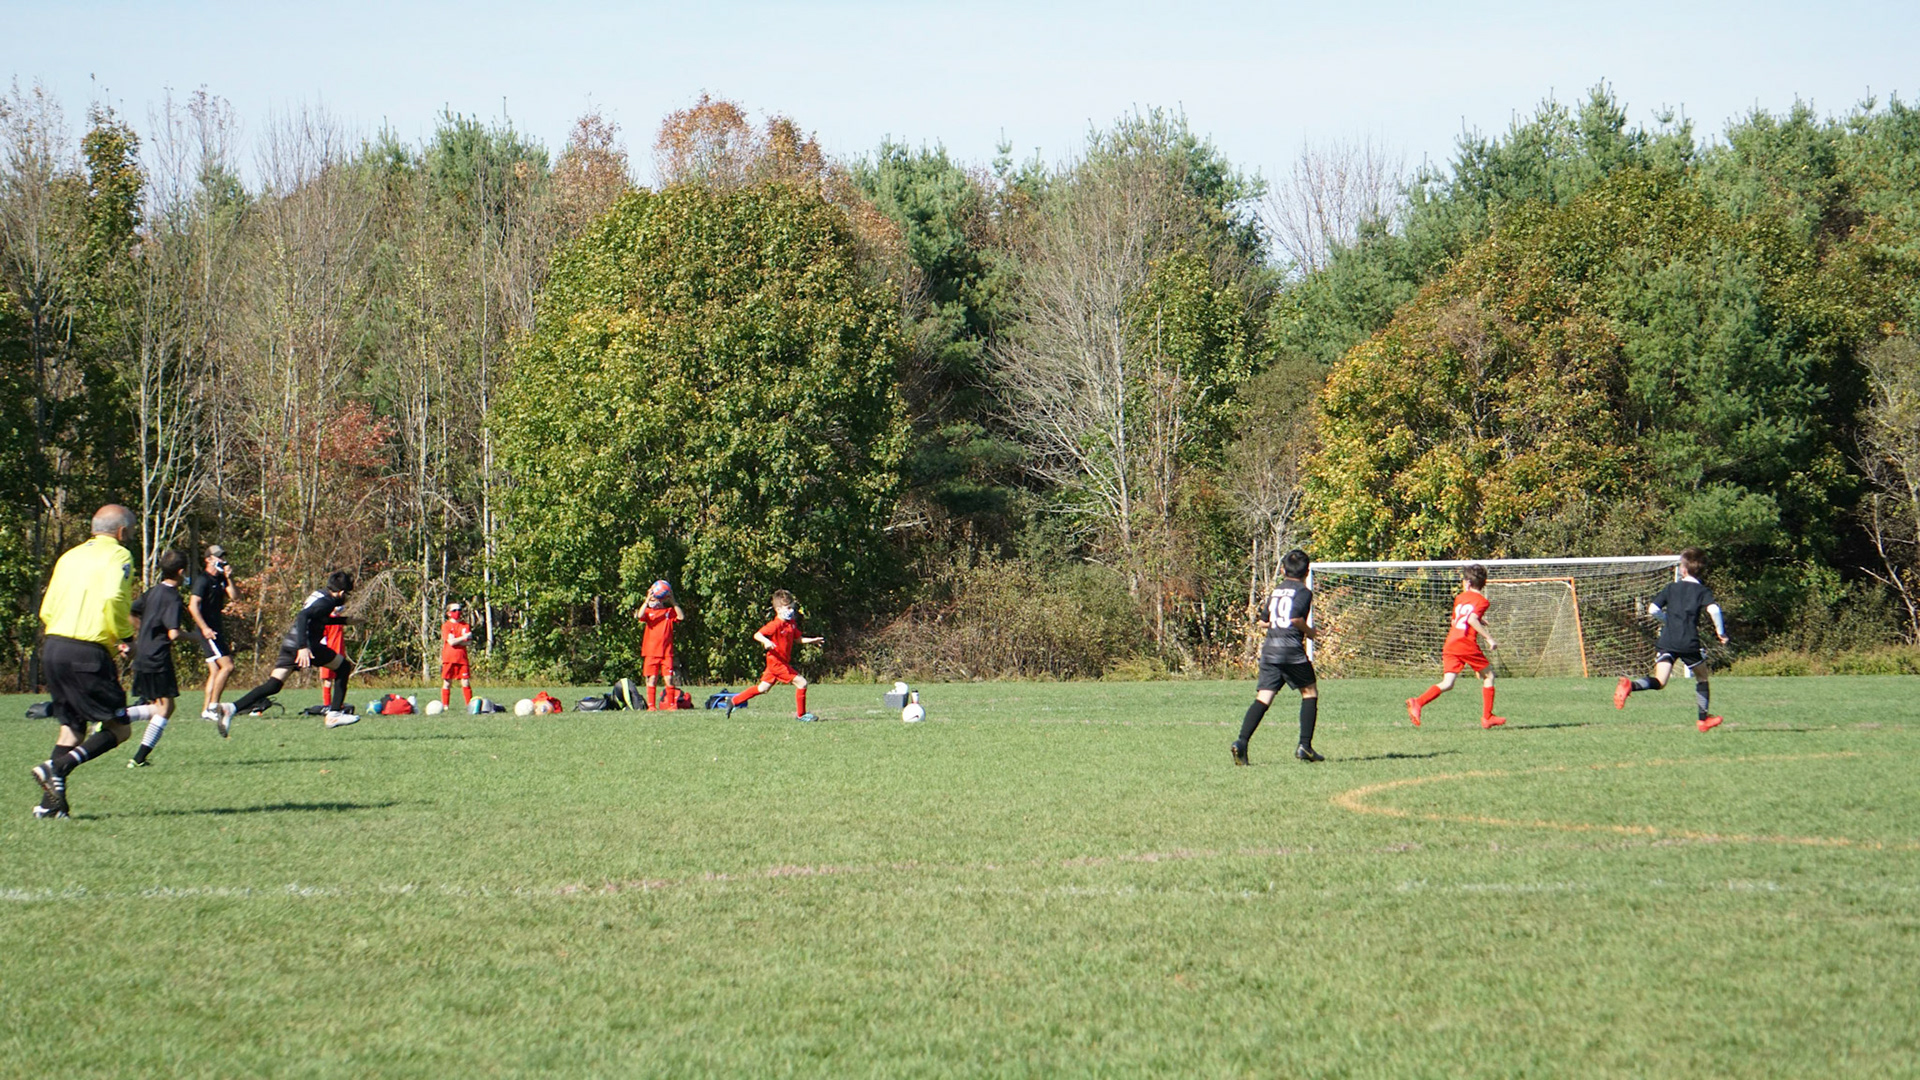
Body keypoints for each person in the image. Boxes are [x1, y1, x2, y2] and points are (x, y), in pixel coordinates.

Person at [27, 504, 161, 818]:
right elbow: (114, 597)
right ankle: (57, 767)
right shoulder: (118, 555)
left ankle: (50, 807)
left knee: (72, 728)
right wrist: (124, 637)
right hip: (86, 652)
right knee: (119, 728)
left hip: (54, 646)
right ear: (122, 532)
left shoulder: (69, 556)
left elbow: (48, 607)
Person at [224, 570, 360, 732]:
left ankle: (231, 708)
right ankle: (334, 714)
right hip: (305, 644)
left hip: (290, 642)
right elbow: (303, 616)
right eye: (347, 594)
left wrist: (345, 621)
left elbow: (318, 618)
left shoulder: (320, 594)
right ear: (342, 593)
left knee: (273, 685)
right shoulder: (328, 601)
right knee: (343, 667)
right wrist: (303, 647)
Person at [1615, 548, 1729, 731]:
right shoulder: (1702, 591)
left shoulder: (1671, 588)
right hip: (1688, 642)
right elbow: (1714, 610)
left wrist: (1667, 620)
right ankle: (1703, 720)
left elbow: (1653, 609)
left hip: (1667, 641)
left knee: (1660, 681)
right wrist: (1720, 632)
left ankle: (1631, 685)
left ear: (1683, 569)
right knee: (1702, 678)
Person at [1232, 548, 1324, 766]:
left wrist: (1277, 624)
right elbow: (1295, 619)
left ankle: (1241, 742)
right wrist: (1311, 633)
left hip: (1270, 650)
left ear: (1283, 570)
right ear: (1306, 571)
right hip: (1291, 651)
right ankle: (1305, 746)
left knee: (1263, 697)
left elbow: (1263, 622)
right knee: (1309, 692)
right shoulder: (1303, 592)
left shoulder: (1277, 591)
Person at [1406, 564, 1507, 729]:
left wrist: (1479, 620)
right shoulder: (1482, 601)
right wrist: (1489, 639)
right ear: (1483, 583)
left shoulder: (1460, 598)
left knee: (1448, 683)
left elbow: (1455, 621)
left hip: (1451, 642)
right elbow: (1471, 619)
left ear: (1467, 582)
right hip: (1465, 644)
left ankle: (1418, 702)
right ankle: (1487, 717)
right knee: (1489, 676)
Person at [127, 549, 192, 767]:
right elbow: (174, 633)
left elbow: (131, 612)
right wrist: (197, 636)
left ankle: (117, 720)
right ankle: (136, 754)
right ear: (181, 572)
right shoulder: (173, 597)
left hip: (143, 654)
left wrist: (144, 631)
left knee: (159, 706)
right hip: (158, 657)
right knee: (165, 708)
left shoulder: (153, 591)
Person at [726, 589, 823, 721]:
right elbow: (757, 635)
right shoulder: (775, 624)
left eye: (792, 607)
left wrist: (812, 640)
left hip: (780, 662)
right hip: (776, 663)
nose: (791, 610)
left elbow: (798, 639)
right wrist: (766, 641)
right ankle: (801, 715)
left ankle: (734, 701)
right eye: (788, 608)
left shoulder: (790, 624)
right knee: (802, 683)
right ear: (778, 609)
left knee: (763, 688)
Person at [188, 545, 238, 721]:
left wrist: (229, 578)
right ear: (208, 559)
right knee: (228, 666)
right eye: (218, 557)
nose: (222, 560)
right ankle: (213, 706)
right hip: (208, 631)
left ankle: (206, 711)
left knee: (216, 670)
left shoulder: (222, 578)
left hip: (216, 629)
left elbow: (234, 597)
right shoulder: (203, 580)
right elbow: (192, 606)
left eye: (223, 556)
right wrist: (204, 628)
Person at [635, 580, 684, 709]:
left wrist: (673, 601)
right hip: (651, 652)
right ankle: (651, 706)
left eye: (654, 599)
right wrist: (646, 601)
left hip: (666, 652)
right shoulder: (648, 613)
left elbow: (681, 617)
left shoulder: (668, 612)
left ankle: (672, 705)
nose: (653, 602)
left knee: (669, 679)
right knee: (652, 679)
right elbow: (639, 615)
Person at [440, 601, 474, 709]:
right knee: (447, 682)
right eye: (454, 610)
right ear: (449, 613)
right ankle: (445, 706)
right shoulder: (446, 626)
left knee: (465, 682)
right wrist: (463, 637)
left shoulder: (465, 625)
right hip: (449, 658)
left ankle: (469, 705)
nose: (457, 612)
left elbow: (468, 642)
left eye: (459, 610)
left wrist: (458, 640)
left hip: (462, 658)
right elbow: (451, 642)